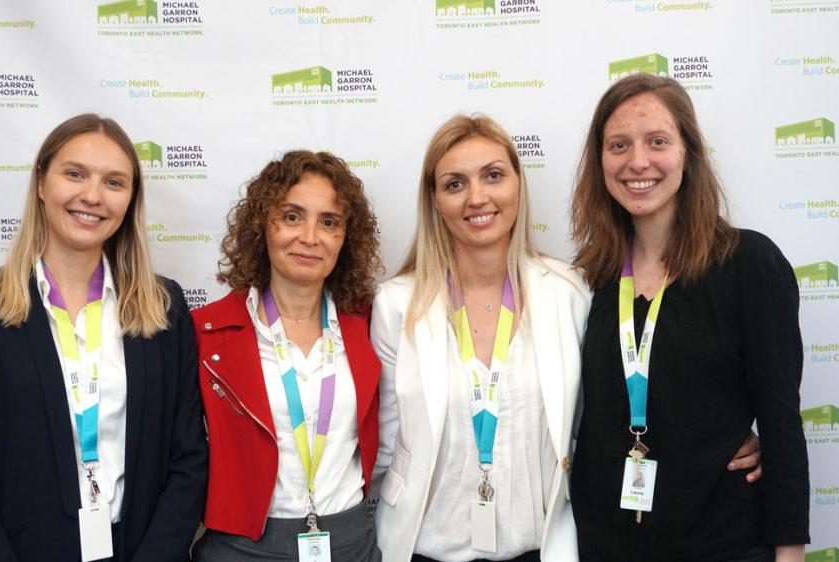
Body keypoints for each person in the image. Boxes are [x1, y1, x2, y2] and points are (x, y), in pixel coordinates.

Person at [0, 114, 208, 561]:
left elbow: (189, 460)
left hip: (141, 549)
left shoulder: (163, 307)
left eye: (114, 182)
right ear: (41, 182)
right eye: (75, 173)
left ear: (130, 199)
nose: (92, 196)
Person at [569, 74, 809, 562]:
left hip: (722, 543)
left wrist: (790, 552)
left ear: (689, 154)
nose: (638, 161)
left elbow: (782, 423)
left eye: (657, 141)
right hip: (606, 543)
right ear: (601, 162)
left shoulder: (749, 264)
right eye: (619, 145)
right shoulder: (587, 278)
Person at [371, 114, 591, 562]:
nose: (477, 197)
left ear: (517, 185)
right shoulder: (397, 304)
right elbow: (386, 444)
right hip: (424, 548)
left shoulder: (568, 291)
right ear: (434, 200)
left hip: (540, 546)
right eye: (454, 184)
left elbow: (594, 426)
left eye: (493, 175)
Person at [191, 150, 384, 561]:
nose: (310, 237)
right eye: (292, 217)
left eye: (328, 222)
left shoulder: (370, 324)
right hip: (243, 546)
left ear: (345, 236)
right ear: (263, 225)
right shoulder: (208, 334)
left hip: (351, 542)